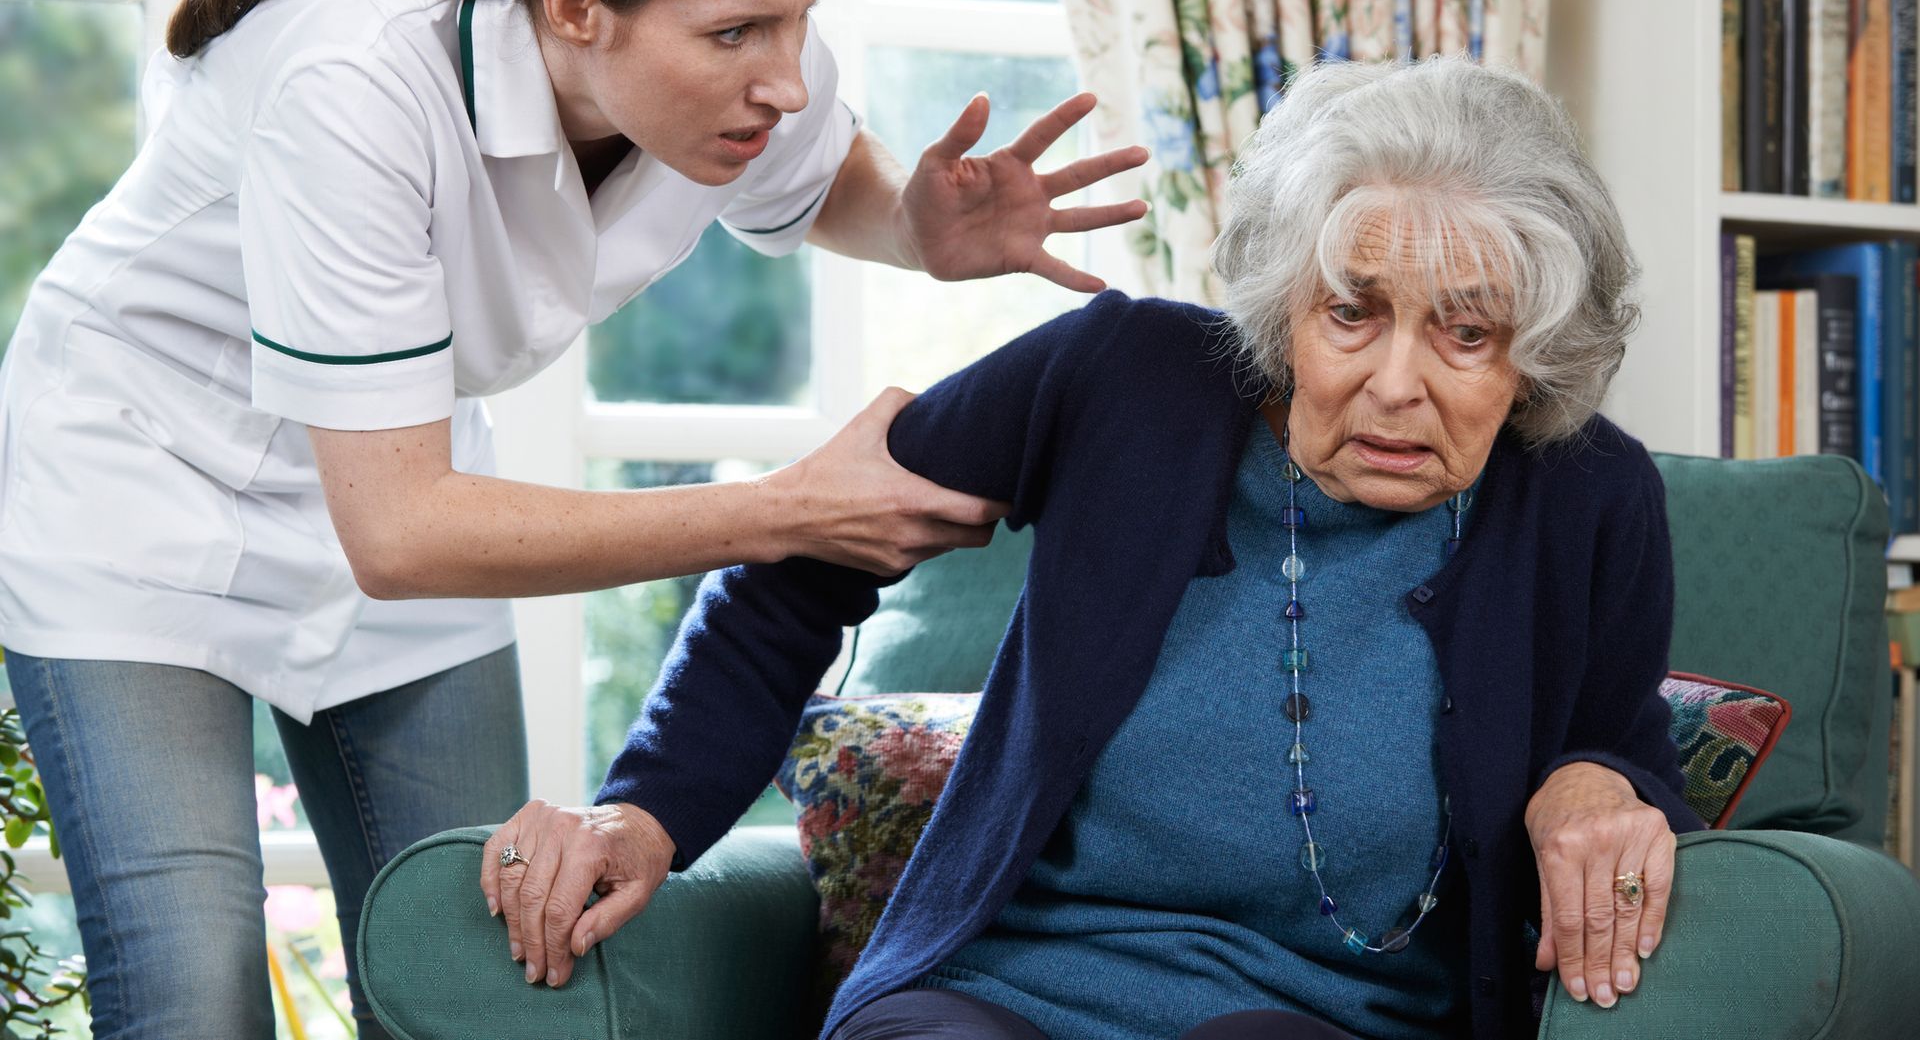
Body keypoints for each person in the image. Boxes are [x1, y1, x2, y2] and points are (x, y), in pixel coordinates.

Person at [0, 0, 1150, 1037]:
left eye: (798, 18)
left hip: (403, 474)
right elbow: (401, 534)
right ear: (573, 5)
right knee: (192, 988)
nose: (785, 76)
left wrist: (916, 228)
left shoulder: (743, 75)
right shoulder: (352, 77)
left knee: (480, 973)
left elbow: (821, 178)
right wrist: (780, 512)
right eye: (736, 34)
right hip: (147, 488)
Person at [488, 56, 1703, 1040]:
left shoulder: (1589, 499)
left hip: (1316, 1019)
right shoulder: (1125, 377)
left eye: (1466, 333)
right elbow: (800, 559)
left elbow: (1620, 752)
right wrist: (640, 812)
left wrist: (1600, 780)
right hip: (990, 995)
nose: (1397, 386)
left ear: (1534, 352)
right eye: (1352, 310)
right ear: (1285, 304)